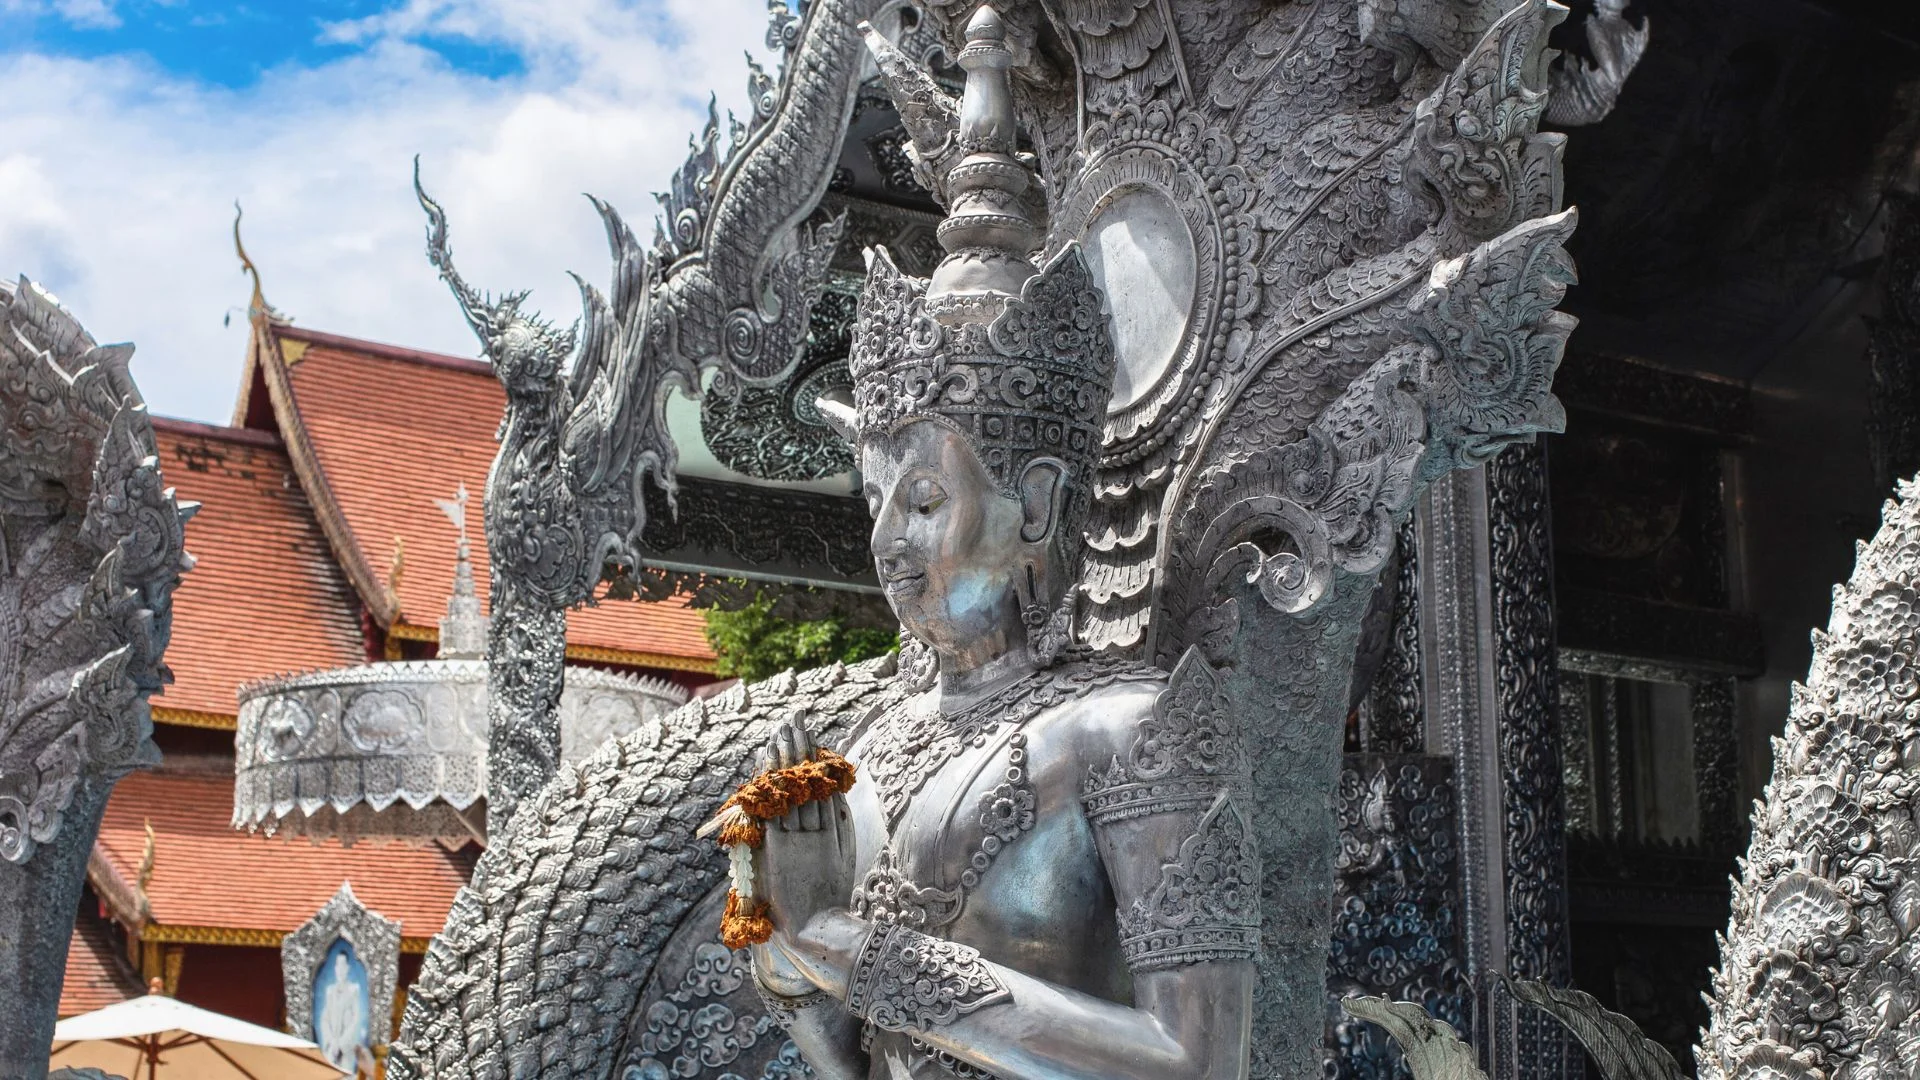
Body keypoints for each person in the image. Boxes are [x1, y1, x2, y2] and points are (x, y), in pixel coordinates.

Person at [317, 950, 367, 1072]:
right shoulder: (330, 991)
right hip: (331, 1046)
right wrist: (331, 1041)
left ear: (347, 968)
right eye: (338, 966)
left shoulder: (353, 990)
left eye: (343, 966)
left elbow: (355, 1020)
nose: (340, 970)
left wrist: (340, 1044)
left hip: (345, 1048)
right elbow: (324, 1019)